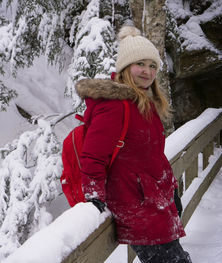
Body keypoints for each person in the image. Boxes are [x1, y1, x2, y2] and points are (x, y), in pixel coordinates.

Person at [76, 25, 192, 263]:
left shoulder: (144, 102)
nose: (147, 72)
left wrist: (172, 189)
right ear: (125, 67)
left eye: (152, 66)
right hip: (138, 209)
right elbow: (93, 156)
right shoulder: (115, 105)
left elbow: (152, 157)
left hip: (158, 202)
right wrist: (94, 194)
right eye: (140, 64)